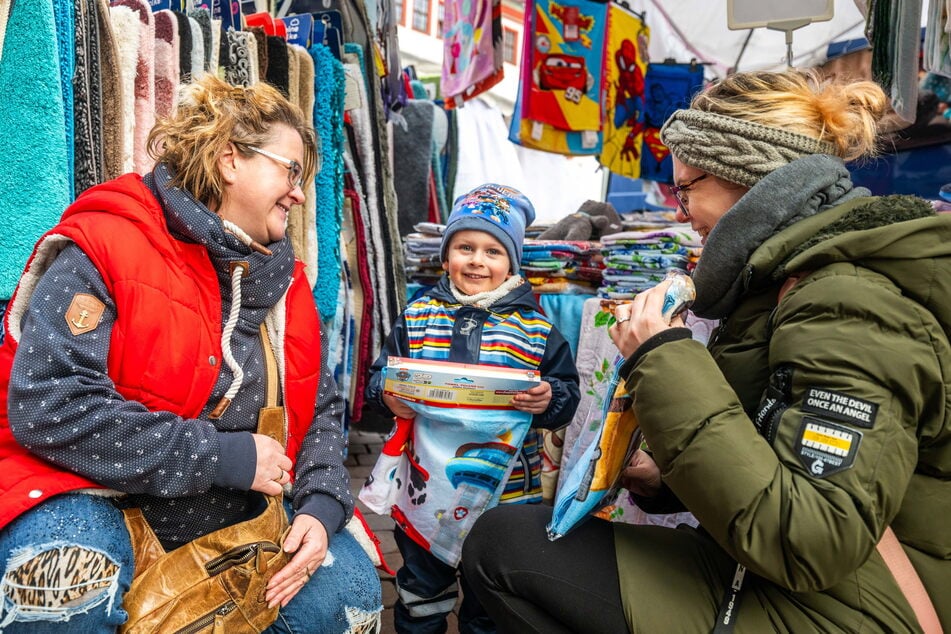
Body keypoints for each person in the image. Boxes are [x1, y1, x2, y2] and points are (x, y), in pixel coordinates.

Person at [461, 68, 950, 632]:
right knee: (514, 536)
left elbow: (811, 540)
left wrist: (664, 356)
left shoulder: (851, 302)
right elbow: (774, 453)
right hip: (799, 577)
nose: (678, 211)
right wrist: (659, 478)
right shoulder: (780, 284)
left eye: (685, 188)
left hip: (857, 606)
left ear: (752, 178)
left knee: (503, 548)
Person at [0, 75, 382, 632]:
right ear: (230, 160)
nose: (300, 194)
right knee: (62, 580)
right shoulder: (106, 244)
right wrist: (222, 457)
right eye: (291, 171)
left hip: (240, 514)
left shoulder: (285, 284)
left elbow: (318, 412)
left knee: (349, 600)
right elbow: (49, 405)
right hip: (99, 493)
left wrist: (323, 507)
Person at [365, 183, 581, 633]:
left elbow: (565, 395)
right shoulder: (417, 315)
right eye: (465, 246)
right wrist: (386, 395)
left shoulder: (537, 328)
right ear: (446, 256)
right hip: (426, 487)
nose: (477, 260)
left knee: (491, 600)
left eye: (493, 250)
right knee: (421, 593)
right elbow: (379, 377)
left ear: (512, 262)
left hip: (505, 493)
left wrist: (547, 400)